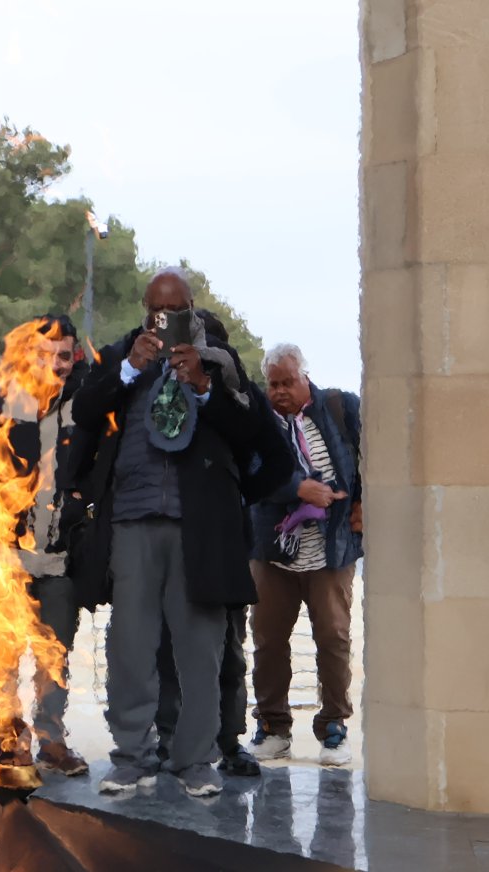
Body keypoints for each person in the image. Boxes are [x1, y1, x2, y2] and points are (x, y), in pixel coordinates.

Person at [67, 270, 290, 799]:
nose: (164, 320)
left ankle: (194, 761)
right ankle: (131, 759)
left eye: (176, 309)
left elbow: (256, 433)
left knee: (199, 652)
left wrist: (206, 387)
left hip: (201, 530)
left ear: (193, 308)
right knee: (130, 648)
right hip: (132, 523)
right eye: (155, 310)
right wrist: (129, 368)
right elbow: (85, 408)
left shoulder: (220, 363)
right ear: (145, 309)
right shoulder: (124, 356)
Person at [154, 311, 260, 777]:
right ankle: (184, 739)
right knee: (182, 647)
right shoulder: (159, 392)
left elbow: (257, 452)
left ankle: (219, 738)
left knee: (223, 650)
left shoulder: (231, 396)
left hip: (220, 536)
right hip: (181, 532)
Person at [247, 343, 363, 767]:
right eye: (272, 383)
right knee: (268, 640)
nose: (278, 391)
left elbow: (371, 456)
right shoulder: (257, 420)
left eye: (286, 382)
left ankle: (334, 729)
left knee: (333, 638)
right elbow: (251, 473)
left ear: (305, 377)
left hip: (332, 551)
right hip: (272, 551)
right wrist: (296, 489)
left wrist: (363, 502)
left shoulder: (340, 408)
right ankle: (273, 727)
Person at [0, 315, 90, 776]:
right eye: (47, 353)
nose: (58, 363)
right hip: (5, 557)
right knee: (2, 655)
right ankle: (4, 740)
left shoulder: (84, 404)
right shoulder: (2, 398)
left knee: (55, 657)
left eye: (65, 354)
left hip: (60, 557)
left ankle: (51, 740)